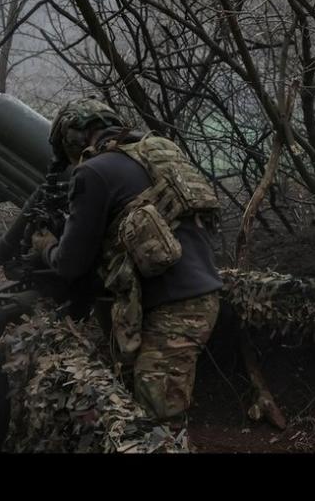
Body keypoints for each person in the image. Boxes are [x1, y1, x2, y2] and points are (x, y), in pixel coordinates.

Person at [30, 96, 223, 423]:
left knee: (157, 423)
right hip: (201, 294)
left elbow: (70, 264)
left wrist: (45, 244)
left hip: (174, 311)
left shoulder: (93, 172)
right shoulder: (157, 149)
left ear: (76, 138)